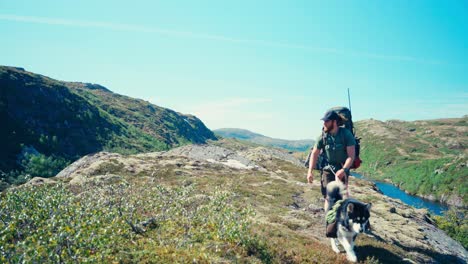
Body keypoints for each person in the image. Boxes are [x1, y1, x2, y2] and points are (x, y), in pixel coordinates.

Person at [307, 109, 356, 211]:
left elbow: (351, 156)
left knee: (343, 196)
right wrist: (310, 171)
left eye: (327, 121)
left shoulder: (346, 134)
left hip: (342, 168)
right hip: (328, 169)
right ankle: (328, 221)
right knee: (328, 197)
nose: (324, 123)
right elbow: (315, 153)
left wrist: (343, 170)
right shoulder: (323, 136)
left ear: (334, 122)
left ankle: (344, 220)